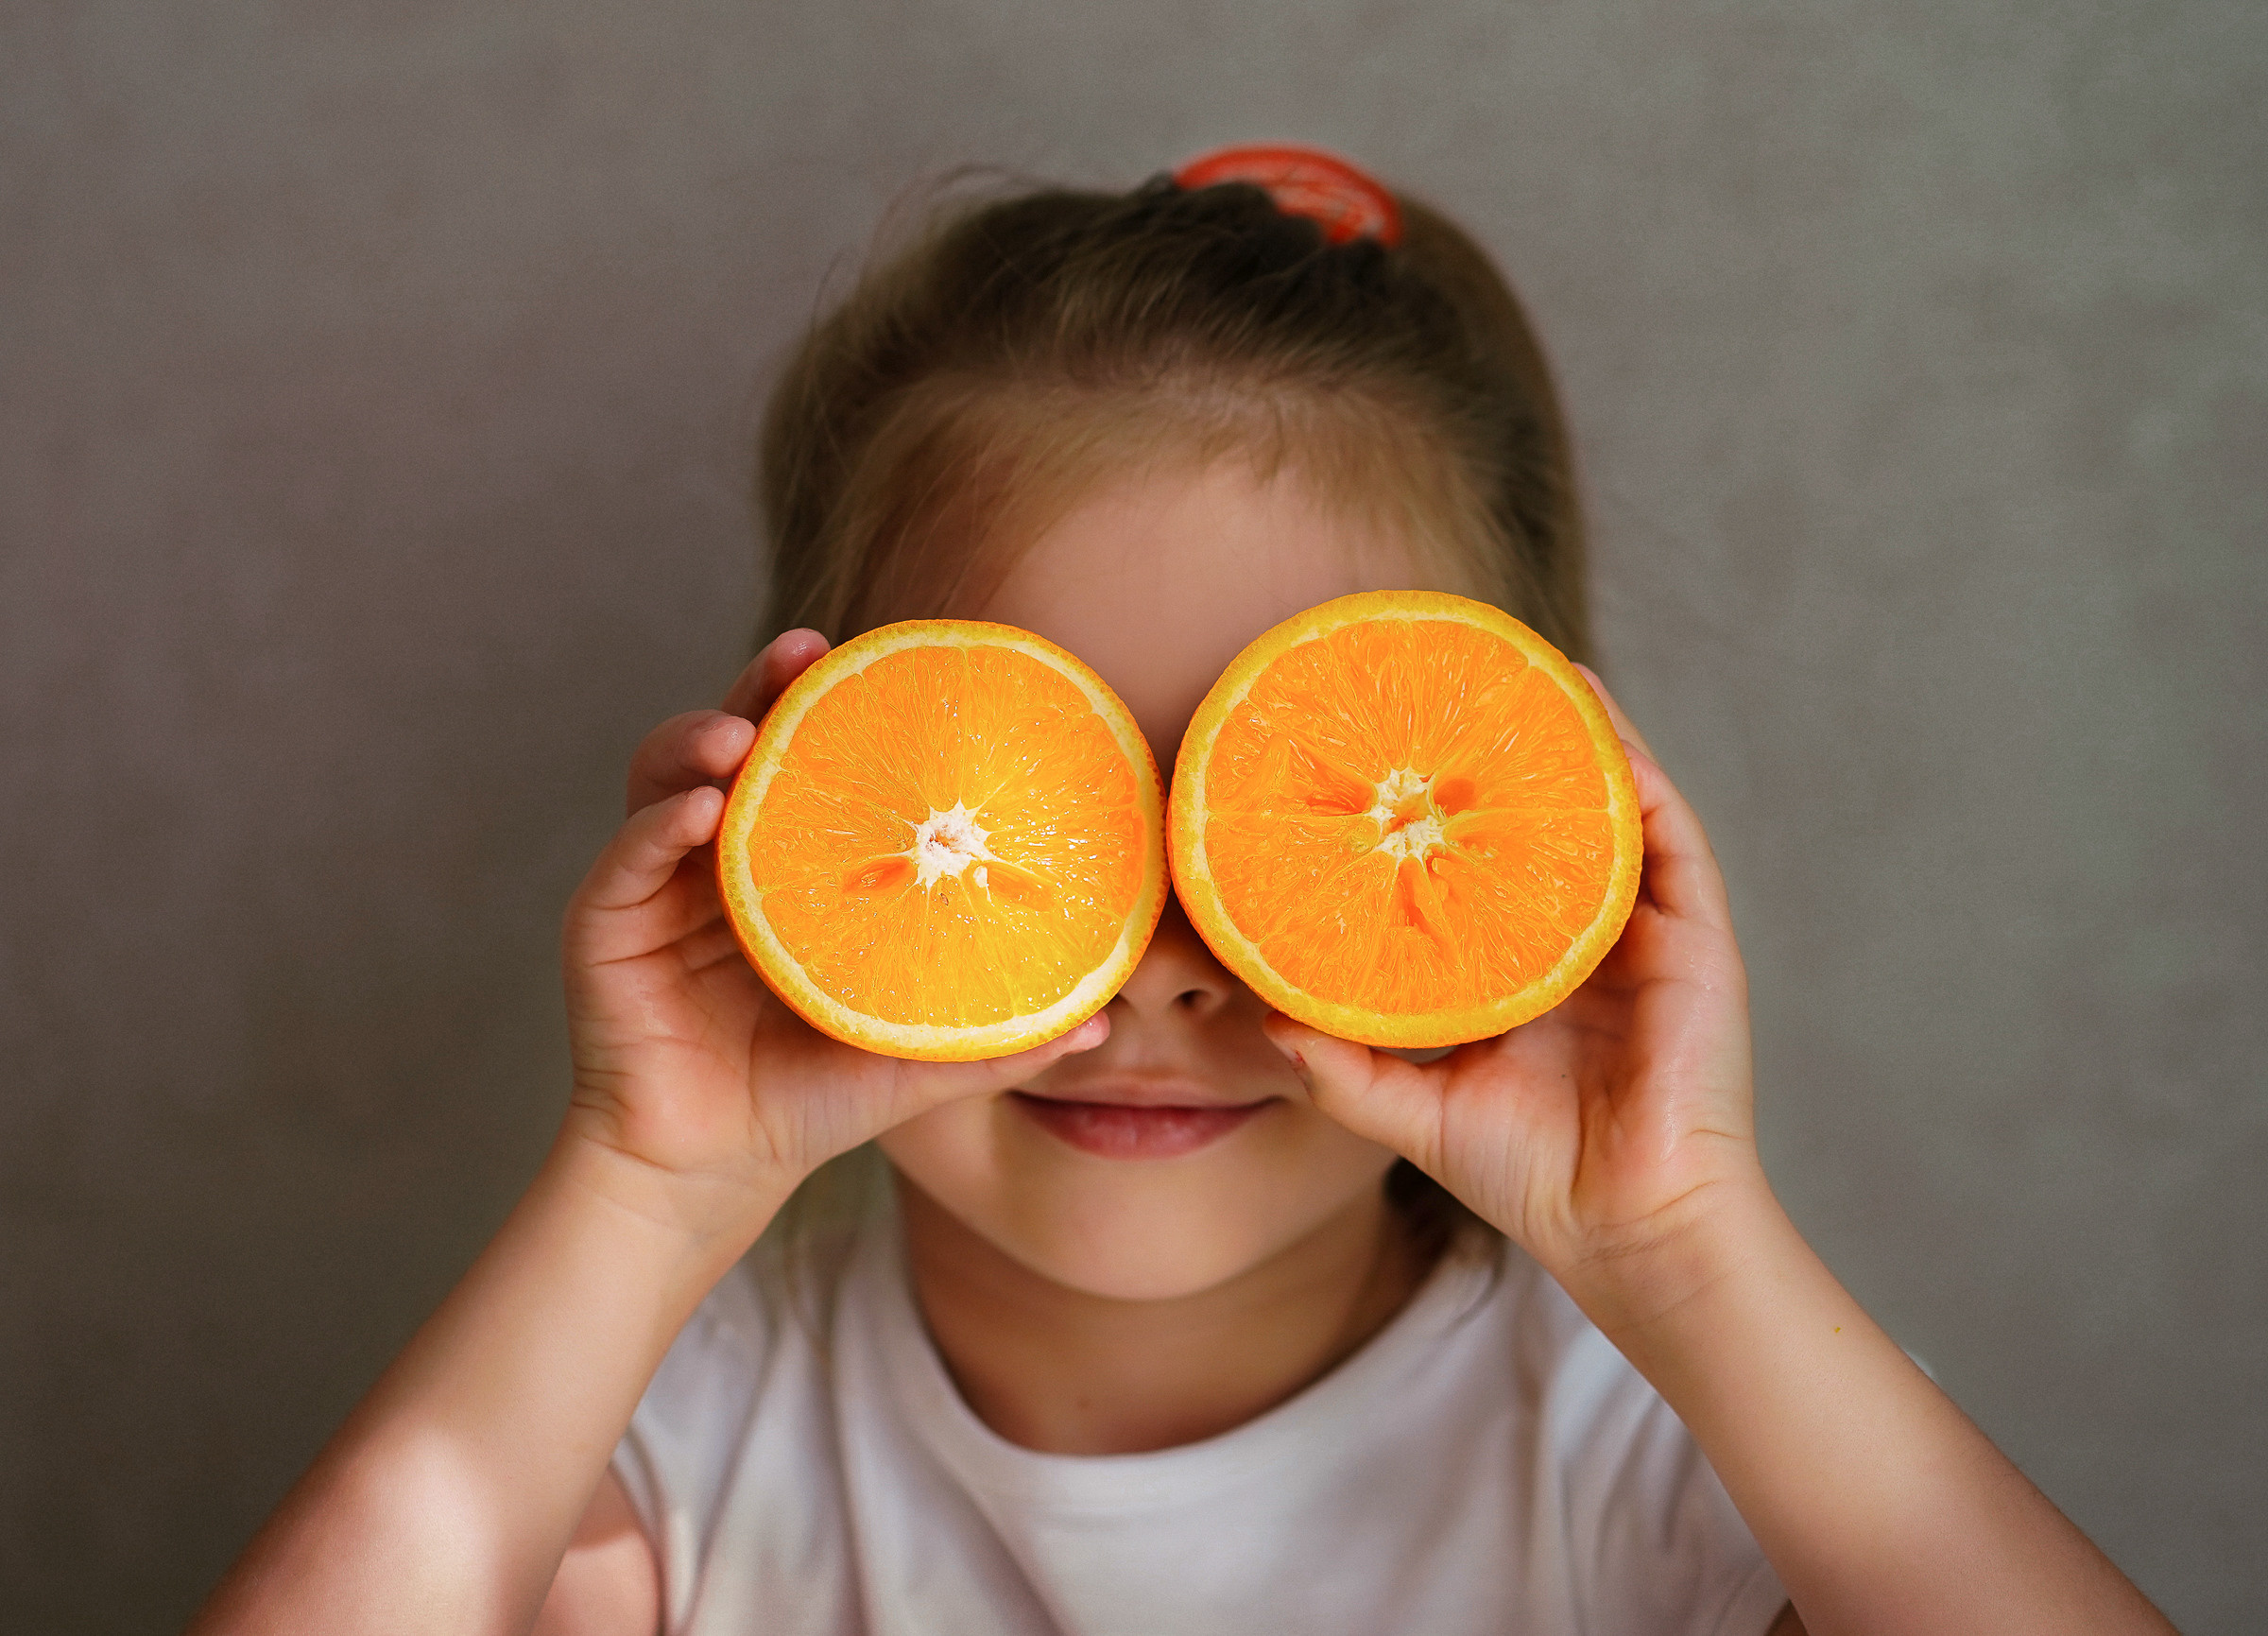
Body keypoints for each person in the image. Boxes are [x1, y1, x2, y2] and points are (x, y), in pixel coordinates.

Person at [190, 150, 2175, 1636]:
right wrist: (644, 1194)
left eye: (1298, 817)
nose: (1156, 966)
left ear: (1507, 826)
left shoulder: (1678, 1449)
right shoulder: (653, 1465)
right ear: (821, 801)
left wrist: (1680, 1242)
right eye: (1035, 800)